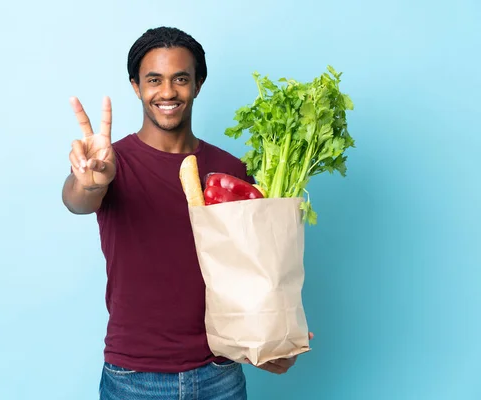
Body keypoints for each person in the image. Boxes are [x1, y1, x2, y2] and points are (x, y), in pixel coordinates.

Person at [62, 26, 313, 400]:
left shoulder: (231, 170)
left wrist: (270, 337)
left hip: (219, 373)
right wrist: (92, 182)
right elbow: (76, 201)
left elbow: (254, 270)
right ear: (136, 86)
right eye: (154, 80)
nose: (167, 92)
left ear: (197, 85)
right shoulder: (112, 163)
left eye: (181, 79)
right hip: (134, 376)